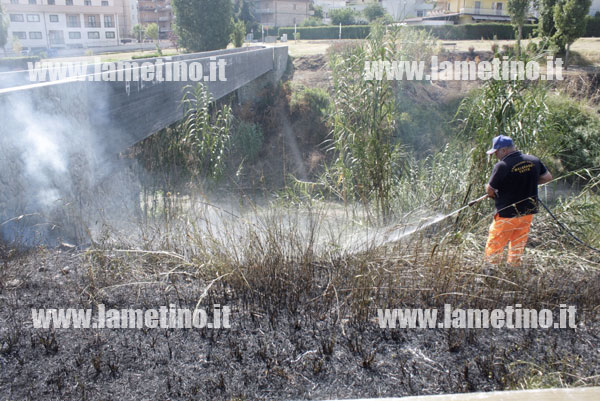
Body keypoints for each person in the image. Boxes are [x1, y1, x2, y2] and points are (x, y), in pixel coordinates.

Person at [484, 135, 553, 266]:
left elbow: (490, 190)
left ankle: (490, 273)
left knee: (494, 247)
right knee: (517, 248)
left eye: (496, 152)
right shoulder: (534, 160)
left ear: (504, 150)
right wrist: (529, 183)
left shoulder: (502, 165)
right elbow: (548, 177)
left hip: (506, 215)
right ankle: (513, 270)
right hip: (527, 213)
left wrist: (492, 191)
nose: (496, 156)